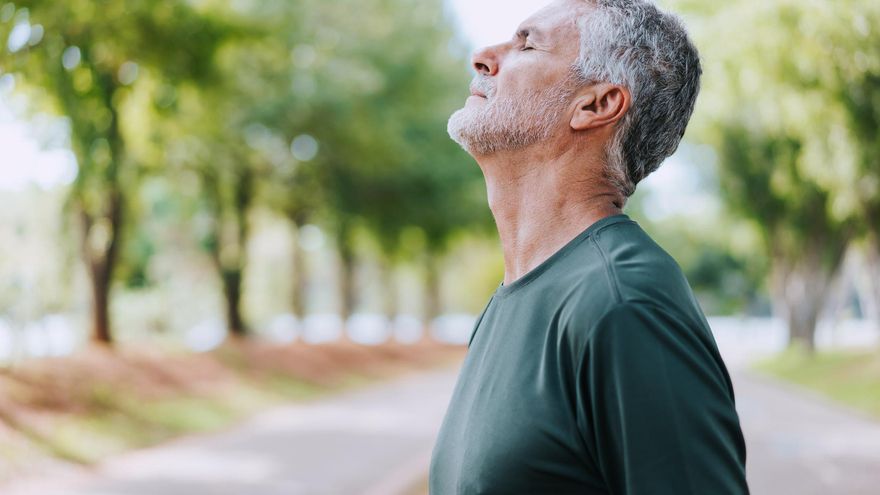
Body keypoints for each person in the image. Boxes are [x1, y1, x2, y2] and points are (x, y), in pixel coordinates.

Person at [428, 0, 749, 494]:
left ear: (596, 105)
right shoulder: (513, 297)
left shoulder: (625, 303)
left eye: (526, 44)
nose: (484, 56)